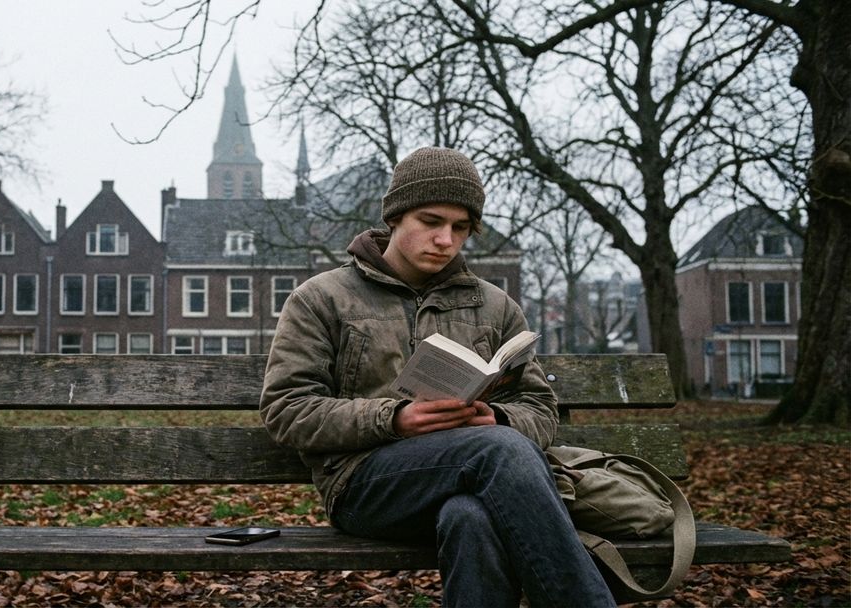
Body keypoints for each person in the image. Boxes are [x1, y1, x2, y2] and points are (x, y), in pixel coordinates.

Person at [260, 147, 615, 607]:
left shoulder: (495, 306)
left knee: (471, 517)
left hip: (475, 479)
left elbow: (541, 409)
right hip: (364, 486)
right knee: (498, 452)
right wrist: (392, 419)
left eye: (461, 228)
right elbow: (286, 409)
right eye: (431, 222)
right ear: (396, 217)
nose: (446, 239)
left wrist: (500, 420)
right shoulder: (323, 298)